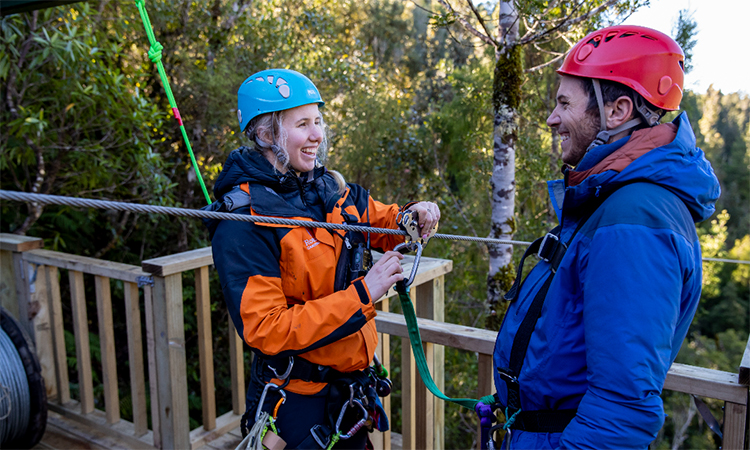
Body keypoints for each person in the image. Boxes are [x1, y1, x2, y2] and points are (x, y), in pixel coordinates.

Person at [491, 25, 721, 449]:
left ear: (617, 111)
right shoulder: (613, 199)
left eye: (564, 103)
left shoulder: (636, 219)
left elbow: (622, 409)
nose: (552, 118)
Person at [203, 68, 440, 449]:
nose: (318, 135)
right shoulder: (244, 220)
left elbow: (385, 222)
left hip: (349, 397)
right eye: (302, 124)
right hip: (297, 405)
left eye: (318, 121)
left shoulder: (328, 190)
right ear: (266, 135)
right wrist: (364, 294)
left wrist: (413, 216)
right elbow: (267, 328)